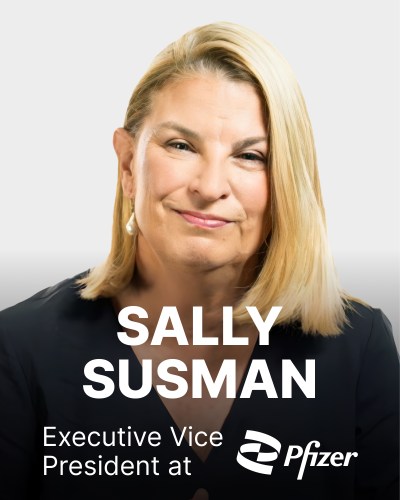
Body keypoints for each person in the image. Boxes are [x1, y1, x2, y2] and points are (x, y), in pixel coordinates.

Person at [0, 21, 398, 500]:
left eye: (250, 156)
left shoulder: (358, 350)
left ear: (286, 182)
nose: (210, 187)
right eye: (181, 146)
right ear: (128, 164)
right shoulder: (19, 349)